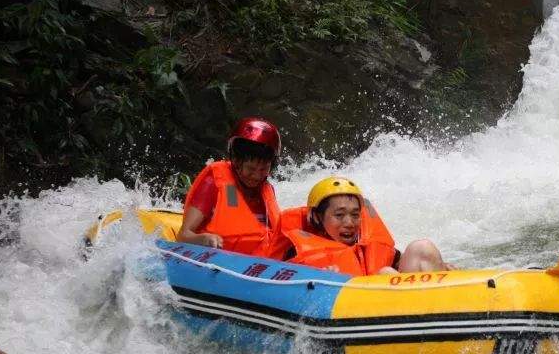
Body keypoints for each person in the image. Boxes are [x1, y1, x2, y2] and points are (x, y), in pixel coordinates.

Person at [280, 176, 451, 276]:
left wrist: (442, 267)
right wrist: (321, 280)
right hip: (349, 310)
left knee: (422, 248)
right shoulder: (296, 251)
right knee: (385, 273)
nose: (349, 223)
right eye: (339, 215)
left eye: (355, 215)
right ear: (318, 217)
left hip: (392, 303)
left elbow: (401, 261)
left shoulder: (369, 243)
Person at [177, 117, 291, 258]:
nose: (256, 176)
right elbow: (183, 236)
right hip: (216, 260)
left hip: (257, 264)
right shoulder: (214, 182)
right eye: (251, 168)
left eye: (263, 169)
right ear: (236, 160)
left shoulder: (267, 190)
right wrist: (203, 239)